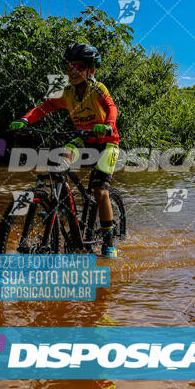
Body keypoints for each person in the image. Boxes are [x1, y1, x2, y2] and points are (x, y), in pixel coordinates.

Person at [10, 43, 120, 259]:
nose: (72, 71)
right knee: (58, 161)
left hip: (107, 143)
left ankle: (108, 242)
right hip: (82, 140)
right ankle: (57, 206)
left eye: (78, 66)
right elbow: (44, 107)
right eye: (69, 67)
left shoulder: (98, 89)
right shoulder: (66, 92)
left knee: (100, 191)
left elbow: (112, 107)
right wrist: (25, 119)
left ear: (91, 70)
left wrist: (108, 123)